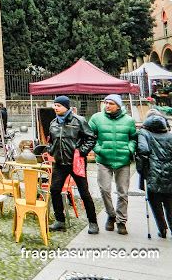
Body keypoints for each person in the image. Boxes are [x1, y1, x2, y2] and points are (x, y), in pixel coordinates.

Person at [46, 95, 98, 234]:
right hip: (59, 163)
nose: (55, 108)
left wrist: (81, 152)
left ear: (66, 107)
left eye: (58, 106)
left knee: (84, 193)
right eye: (55, 105)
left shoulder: (79, 121)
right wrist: (51, 149)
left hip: (76, 162)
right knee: (55, 190)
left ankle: (93, 222)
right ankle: (59, 221)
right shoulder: (53, 123)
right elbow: (50, 140)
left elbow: (91, 138)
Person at [88, 94, 137, 235]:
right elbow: (90, 136)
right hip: (104, 160)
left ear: (118, 106)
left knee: (123, 192)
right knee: (104, 189)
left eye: (111, 103)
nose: (107, 106)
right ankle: (111, 214)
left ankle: (121, 221)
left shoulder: (128, 121)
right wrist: (99, 150)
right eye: (106, 103)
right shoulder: (97, 118)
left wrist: (130, 149)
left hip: (123, 161)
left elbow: (133, 138)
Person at [136, 108, 172, 238]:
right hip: (169, 174)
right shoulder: (169, 135)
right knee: (170, 203)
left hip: (152, 173)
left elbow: (143, 150)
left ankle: (162, 229)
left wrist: (141, 170)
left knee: (155, 202)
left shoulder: (144, 133)